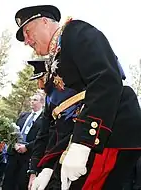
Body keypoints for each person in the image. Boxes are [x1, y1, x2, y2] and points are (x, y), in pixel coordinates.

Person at [14, 5, 141, 190]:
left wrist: (83, 143)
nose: (26, 41)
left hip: (105, 136)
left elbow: (105, 79)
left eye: (27, 31)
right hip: (70, 142)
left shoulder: (75, 33)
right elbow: (54, 122)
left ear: (44, 22)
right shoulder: (52, 67)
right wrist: (46, 166)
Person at [2, 92, 46, 190]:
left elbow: (42, 138)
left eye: (35, 100)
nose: (32, 102)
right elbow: (13, 131)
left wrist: (27, 147)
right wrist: (14, 143)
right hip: (14, 154)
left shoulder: (44, 119)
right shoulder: (24, 116)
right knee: (8, 182)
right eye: (31, 99)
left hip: (29, 157)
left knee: (21, 184)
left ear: (42, 103)